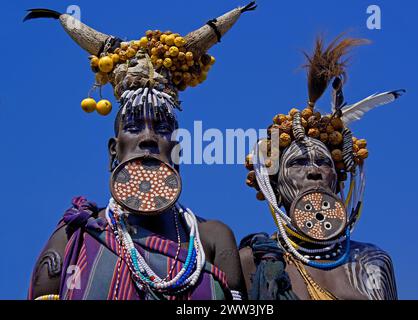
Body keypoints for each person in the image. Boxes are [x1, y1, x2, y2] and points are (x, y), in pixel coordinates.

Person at [26, 2, 257, 300]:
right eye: (134, 126)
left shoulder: (212, 239)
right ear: (114, 151)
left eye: (162, 129)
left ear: (178, 151)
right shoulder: (75, 235)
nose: (148, 138)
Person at [240, 35, 404, 300]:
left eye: (324, 163)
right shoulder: (254, 261)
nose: (314, 170)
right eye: (297, 163)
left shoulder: (373, 261)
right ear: (275, 187)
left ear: (337, 181)